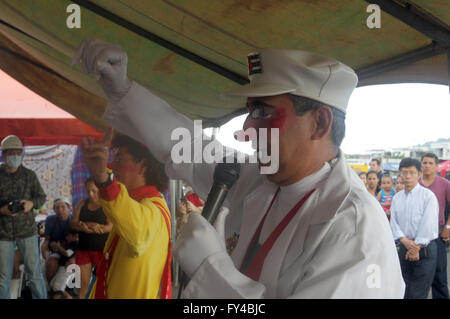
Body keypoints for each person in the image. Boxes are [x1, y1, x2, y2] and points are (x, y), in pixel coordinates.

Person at [72, 40, 405, 298]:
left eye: (262, 110)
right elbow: (187, 145)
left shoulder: (354, 230)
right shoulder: (256, 178)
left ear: (319, 122)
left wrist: (210, 269)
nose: (246, 125)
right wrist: (122, 90)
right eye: (249, 110)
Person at [80, 132, 172, 299]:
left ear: (143, 165)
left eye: (119, 158)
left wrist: (103, 178)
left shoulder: (153, 210)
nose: (114, 166)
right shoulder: (138, 204)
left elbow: (138, 231)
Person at [0, 135, 47, 299]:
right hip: (3, 234)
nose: (14, 155)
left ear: (21, 154)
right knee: (3, 277)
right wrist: (2, 210)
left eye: (17, 152)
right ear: (3, 154)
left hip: (27, 232)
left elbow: (41, 197)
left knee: (34, 274)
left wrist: (31, 204)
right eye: (10, 152)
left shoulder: (29, 175)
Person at [390, 158, 439, 299]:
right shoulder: (397, 198)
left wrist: (416, 246)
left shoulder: (428, 196)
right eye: (404, 173)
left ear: (419, 174)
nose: (407, 176)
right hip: (403, 248)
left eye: (411, 173)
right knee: (402, 289)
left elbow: (428, 224)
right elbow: (394, 223)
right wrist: (406, 242)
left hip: (424, 250)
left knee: (418, 292)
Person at [71, 178, 112, 299]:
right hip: (84, 249)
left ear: (100, 190)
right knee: (83, 286)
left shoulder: (106, 205)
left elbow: (110, 226)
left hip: (102, 250)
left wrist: (99, 229)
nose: (90, 194)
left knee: (104, 283)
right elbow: (73, 223)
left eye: (93, 191)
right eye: (88, 191)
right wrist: (87, 226)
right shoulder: (82, 203)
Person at [419, 152, 450, 299]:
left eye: (430, 163)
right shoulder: (415, 183)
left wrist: (448, 227)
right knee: (417, 276)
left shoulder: (445, 184)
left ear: (437, 166)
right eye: (424, 163)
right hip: (416, 236)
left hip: (437, 235)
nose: (427, 166)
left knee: (439, 276)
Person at [42, 198, 72, 284]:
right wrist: (44, 246)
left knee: (71, 264)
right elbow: (47, 239)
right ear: (54, 210)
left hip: (71, 251)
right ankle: (51, 290)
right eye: (57, 208)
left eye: (63, 207)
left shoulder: (74, 219)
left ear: (69, 208)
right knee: (51, 263)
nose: (60, 210)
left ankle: (62, 291)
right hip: (56, 251)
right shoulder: (50, 220)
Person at [49, 226, 79, 299]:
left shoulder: (76, 244)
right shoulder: (69, 243)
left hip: (66, 269)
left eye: (68, 235)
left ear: (75, 236)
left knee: (57, 287)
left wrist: (58, 247)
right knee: (52, 284)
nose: (66, 237)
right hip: (62, 267)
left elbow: (67, 253)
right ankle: (68, 296)